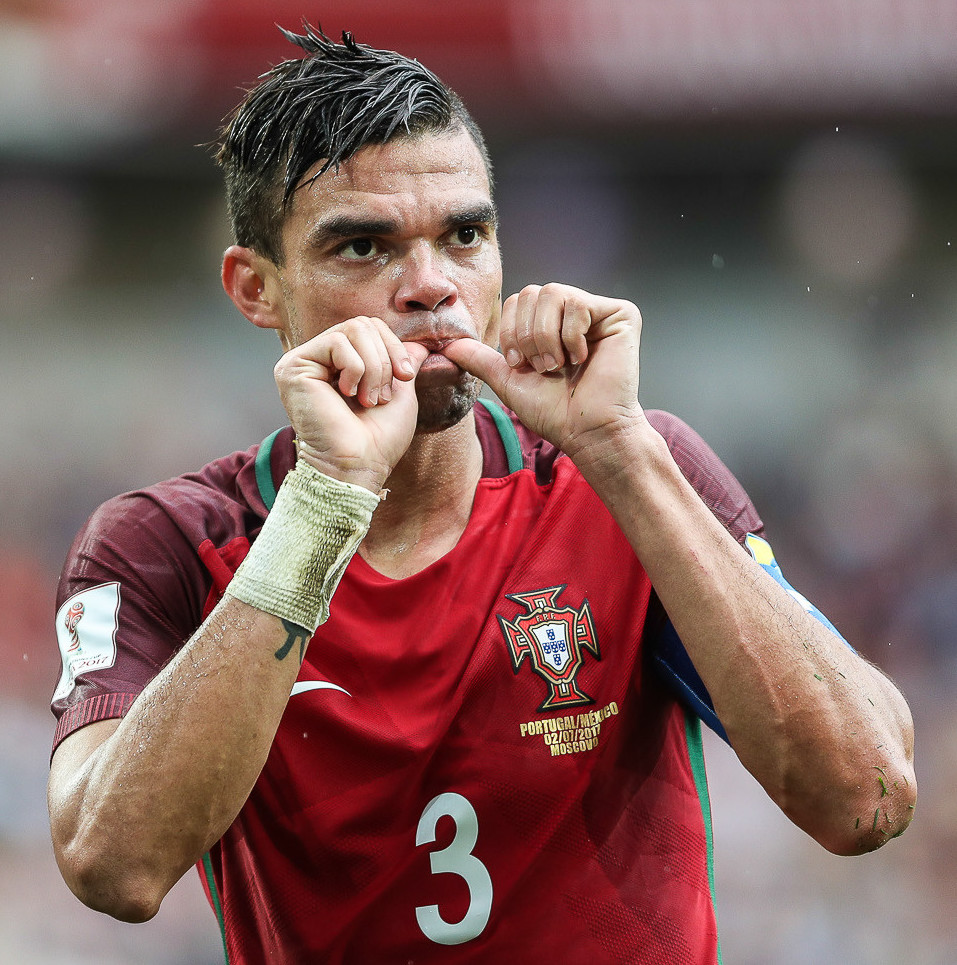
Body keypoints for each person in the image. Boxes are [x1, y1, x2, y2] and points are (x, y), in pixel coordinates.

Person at [47, 24, 916, 965]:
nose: (431, 287)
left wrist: (618, 446)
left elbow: (864, 796)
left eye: (464, 235)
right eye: (363, 247)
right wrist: (325, 503)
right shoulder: (165, 543)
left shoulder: (627, 475)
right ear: (256, 289)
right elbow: (112, 864)